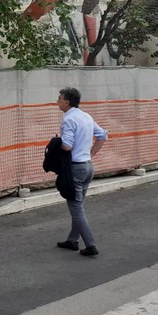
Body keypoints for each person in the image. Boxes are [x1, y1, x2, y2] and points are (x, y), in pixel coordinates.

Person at [55, 87, 108, 257]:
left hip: (75, 169)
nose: (57, 101)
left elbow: (67, 146)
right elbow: (102, 136)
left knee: (76, 209)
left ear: (67, 102)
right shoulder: (86, 116)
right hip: (87, 167)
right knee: (78, 205)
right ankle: (72, 240)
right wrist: (90, 154)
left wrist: (56, 143)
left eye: (59, 98)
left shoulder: (69, 119)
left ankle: (91, 245)